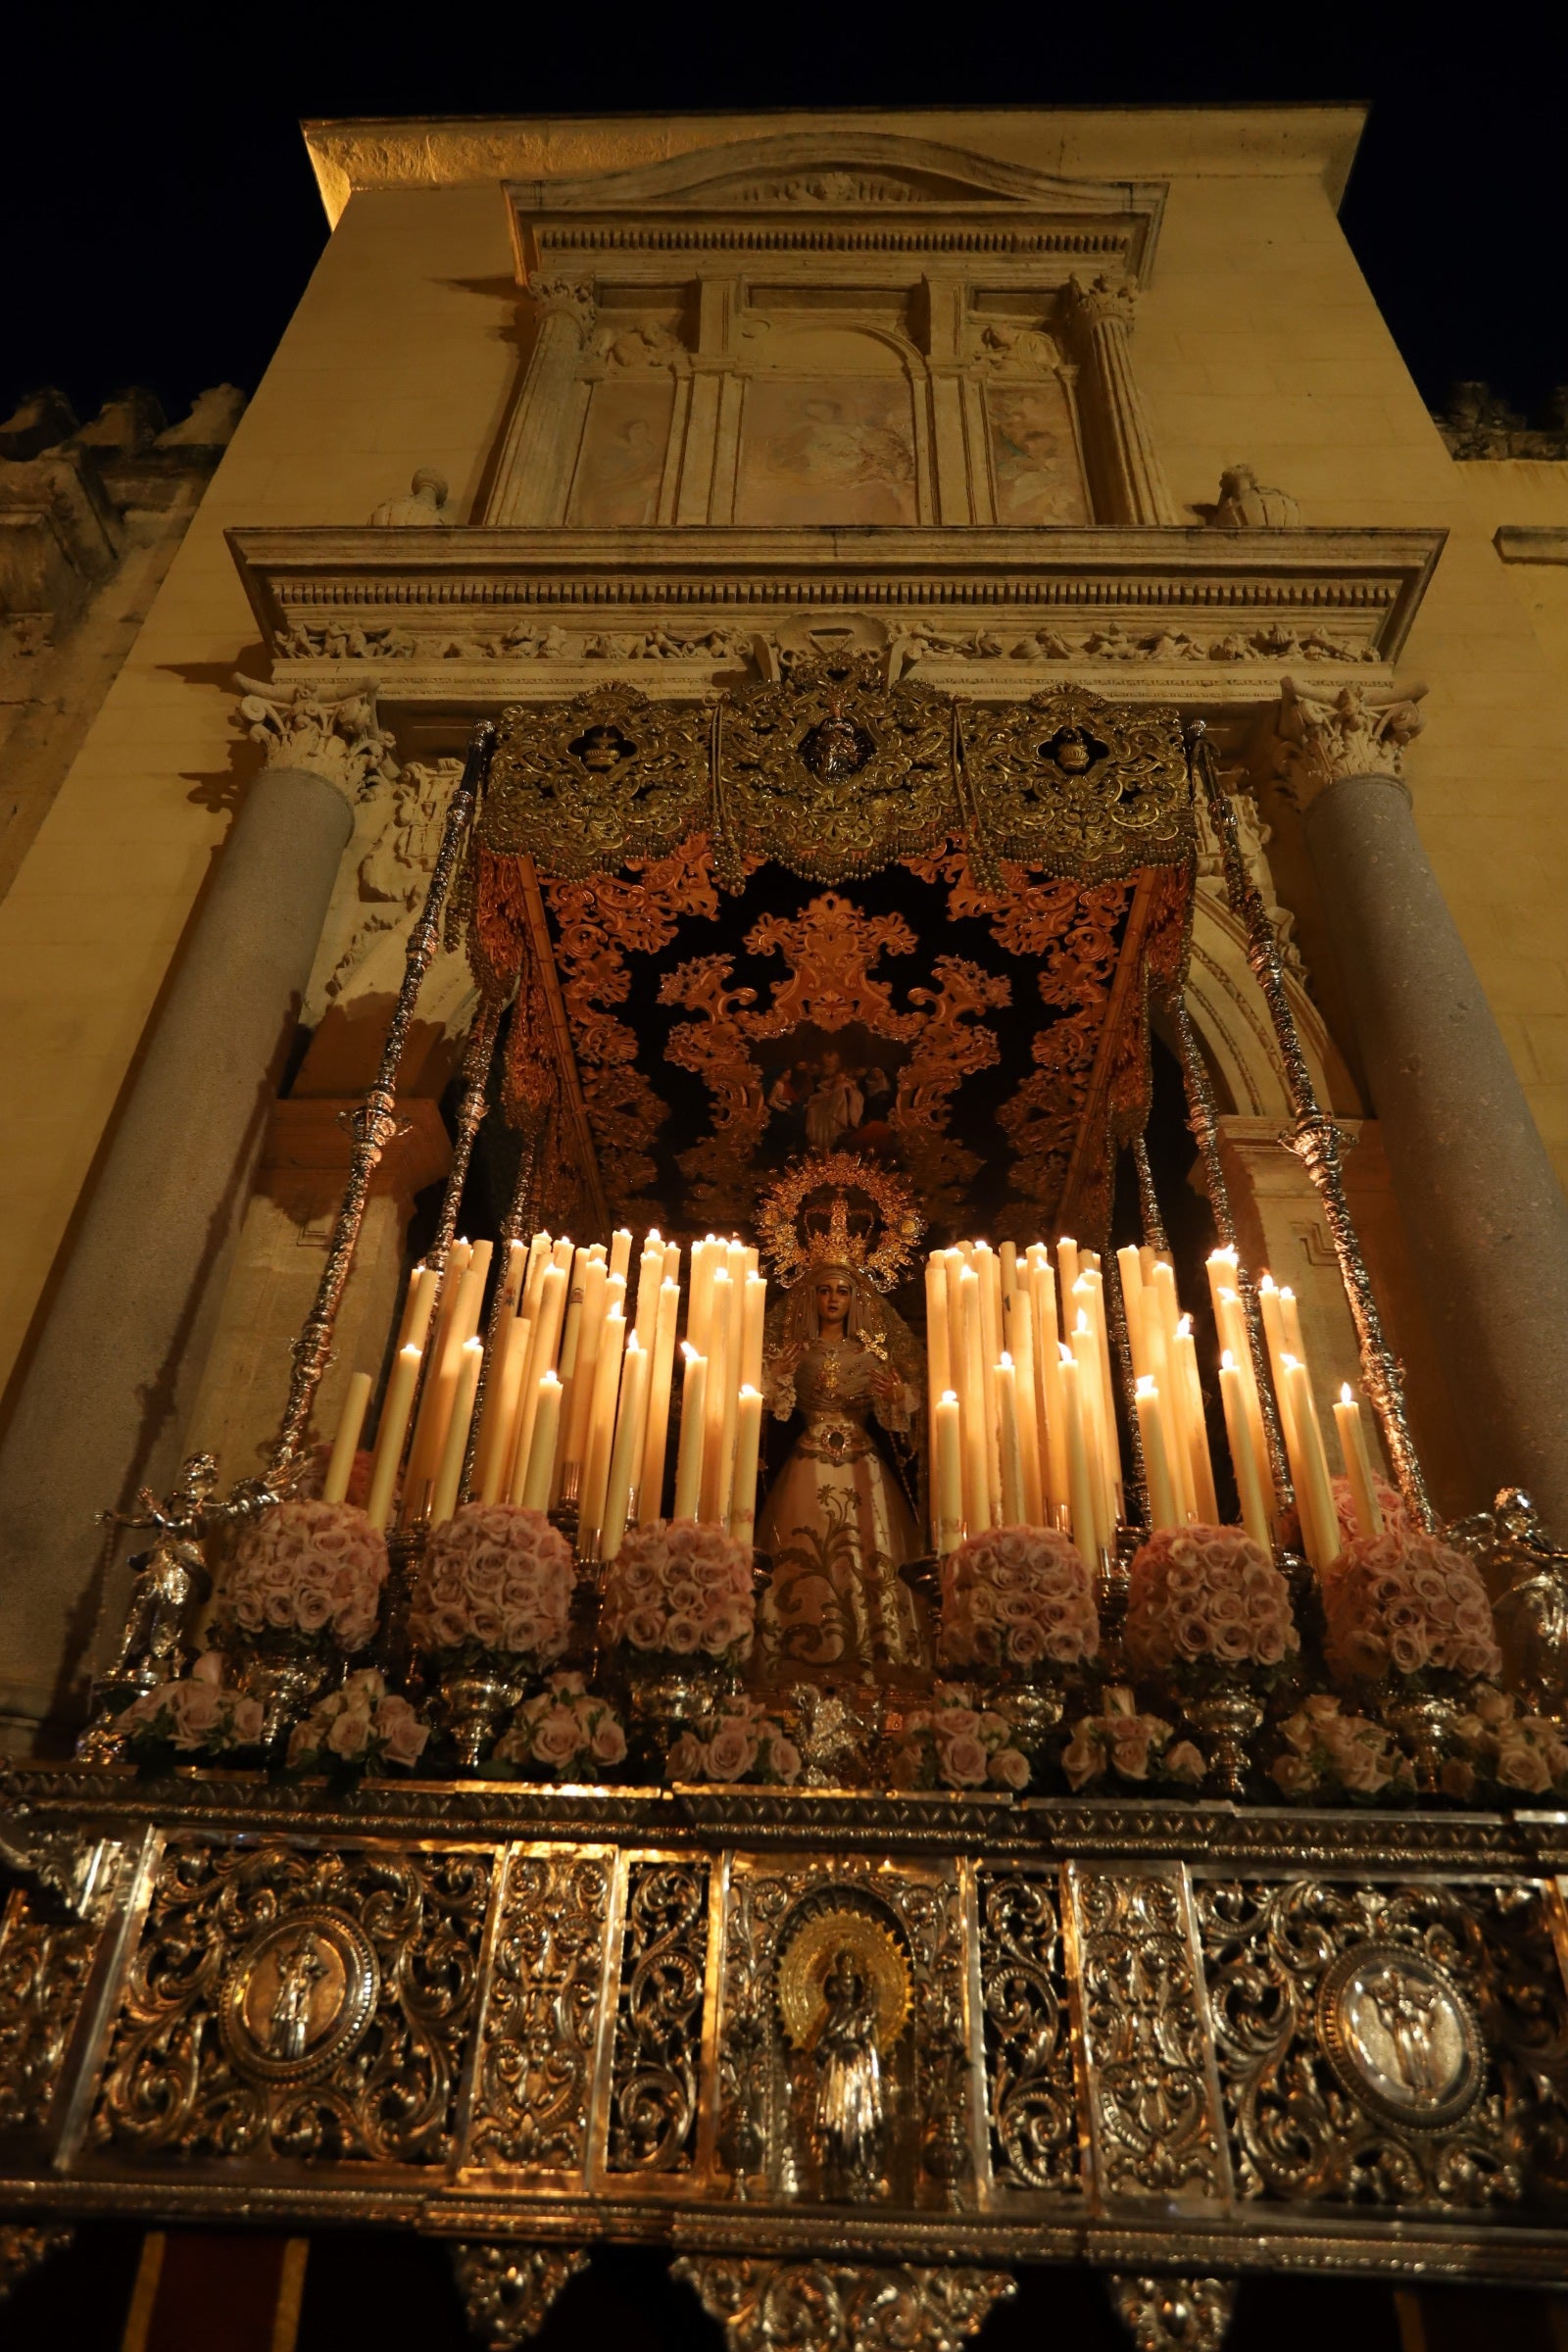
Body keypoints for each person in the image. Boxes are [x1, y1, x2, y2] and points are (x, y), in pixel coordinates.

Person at [757, 1259, 922, 1671]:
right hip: (807, 1458)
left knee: (865, 1547)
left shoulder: (871, 1356)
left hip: (862, 1462)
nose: (833, 1299)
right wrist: (775, 1376)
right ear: (812, 1297)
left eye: (842, 1291)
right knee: (802, 1543)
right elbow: (763, 1400)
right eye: (825, 1290)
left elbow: (904, 1405)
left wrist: (896, 1397)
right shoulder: (797, 1353)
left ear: (855, 1300)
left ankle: (877, 1653)